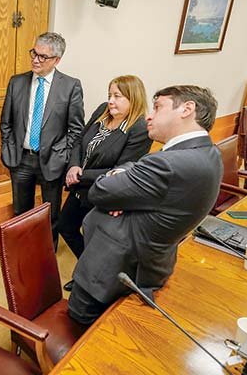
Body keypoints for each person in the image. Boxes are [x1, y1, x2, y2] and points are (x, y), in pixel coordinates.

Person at [67, 85, 223, 325]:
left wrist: (118, 187)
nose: (150, 115)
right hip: (146, 264)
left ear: (187, 109)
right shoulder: (207, 153)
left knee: (83, 332)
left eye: (158, 107)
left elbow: (100, 191)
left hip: (112, 271)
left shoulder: (169, 163)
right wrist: (123, 179)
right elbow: (136, 171)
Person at [58, 75, 153, 289]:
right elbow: (79, 142)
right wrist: (74, 165)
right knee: (66, 227)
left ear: (133, 99)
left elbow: (120, 172)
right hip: (79, 187)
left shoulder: (139, 130)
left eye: (117, 96)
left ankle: (87, 279)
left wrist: (80, 175)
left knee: (95, 240)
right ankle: (87, 268)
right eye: (110, 95)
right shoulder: (103, 110)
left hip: (104, 192)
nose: (110, 101)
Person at [0, 32, 84, 249]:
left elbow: (75, 129)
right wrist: (9, 147)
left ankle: (46, 253)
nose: (35, 60)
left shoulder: (70, 86)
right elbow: (6, 122)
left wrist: (62, 154)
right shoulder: (17, 82)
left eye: (42, 56)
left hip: (52, 161)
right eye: (34, 53)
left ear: (57, 60)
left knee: (50, 214)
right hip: (21, 160)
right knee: (21, 212)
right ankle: (23, 251)